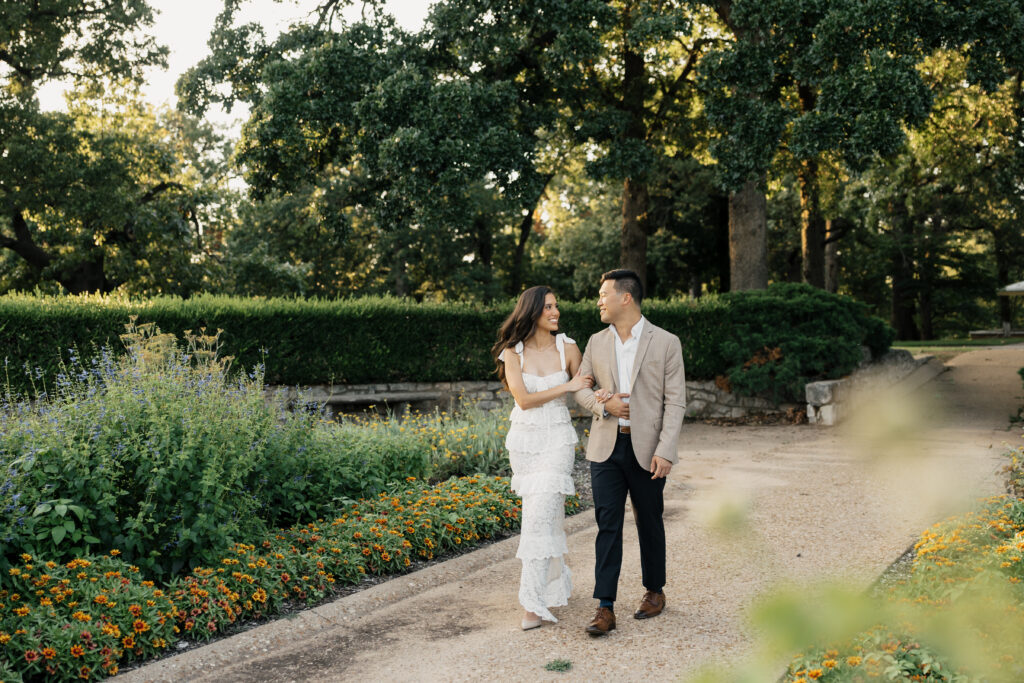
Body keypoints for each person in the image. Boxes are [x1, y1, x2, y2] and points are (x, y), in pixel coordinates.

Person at [573, 269, 686, 636]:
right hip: (606, 447)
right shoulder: (595, 342)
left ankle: (655, 590)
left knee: (649, 520)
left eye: (604, 294)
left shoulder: (666, 342)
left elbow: (676, 402)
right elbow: (580, 390)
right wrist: (605, 406)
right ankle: (605, 606)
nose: (599, 301)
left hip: (648, 448)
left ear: (626, 298)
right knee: (608, 524)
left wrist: (666, 450)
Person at [493, 286, 593, 630]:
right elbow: (522, 399)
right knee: (543, 518)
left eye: (557, 306)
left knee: (538, 518)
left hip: (557, 440)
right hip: (524, 441)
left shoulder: (568, 346)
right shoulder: (512, 353)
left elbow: (583, 391)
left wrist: (601, 398)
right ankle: (555, 583)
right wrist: (566, 386)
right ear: (532, 311)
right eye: (549, 306)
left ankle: (532, 604)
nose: (556, 312)